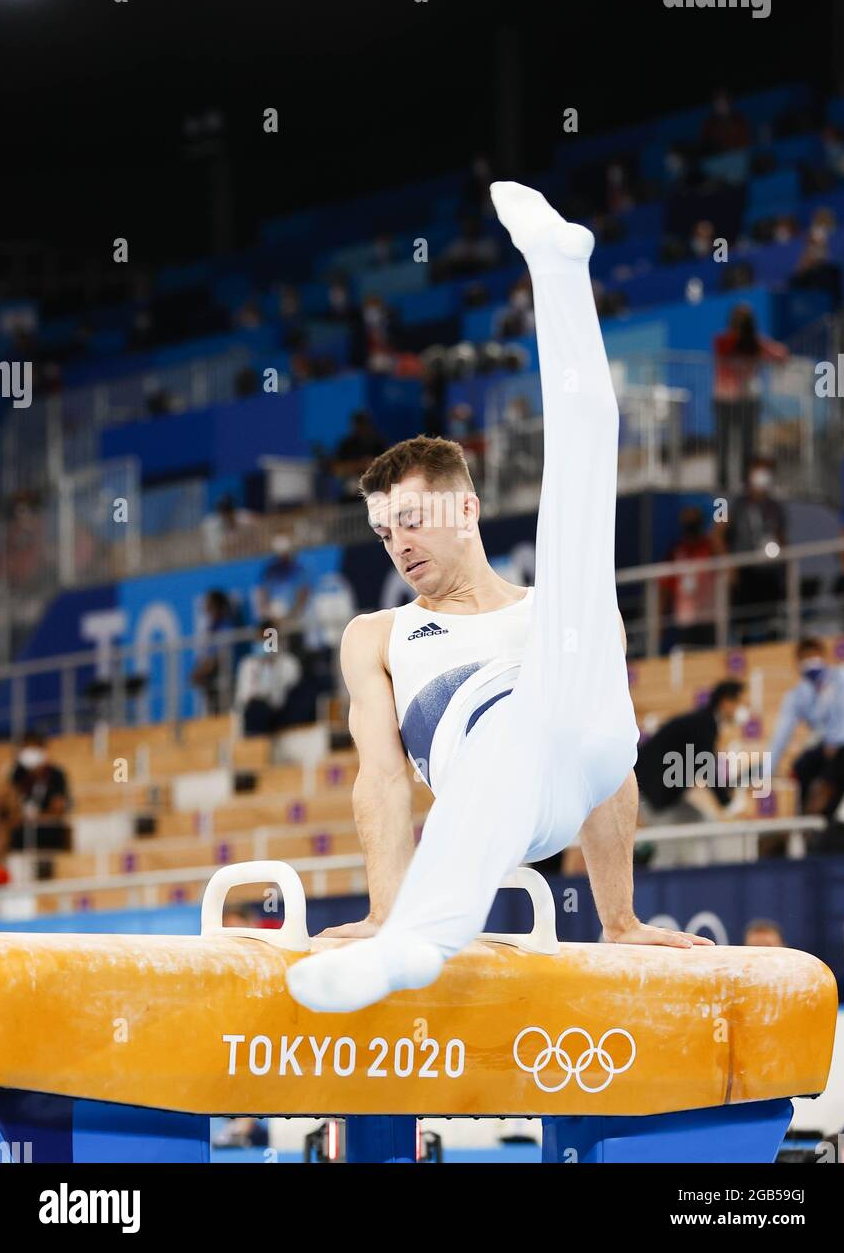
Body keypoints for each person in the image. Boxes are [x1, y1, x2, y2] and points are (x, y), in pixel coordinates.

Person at [287, 181, 714, 1015]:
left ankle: (558, 270)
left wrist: (619, 919)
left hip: (582, 745)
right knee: (509, 735)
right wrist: (379, 907)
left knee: (582, 493)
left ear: (467, 509)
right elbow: (381, 780)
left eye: (411, 520)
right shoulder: (376, 636)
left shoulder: (559, 611)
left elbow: (611, 764)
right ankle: (408, 935)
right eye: (383, 533)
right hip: (505, 786)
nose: (398, 543)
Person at [635, 681, 748, 826]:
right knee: (699, 827)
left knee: (701, 822)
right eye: (740, 703)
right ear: (726, 702)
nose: (742, 709)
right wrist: (728, 804)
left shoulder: (704, 721)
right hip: (652, 796)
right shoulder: (704, 724)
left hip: (659, 795)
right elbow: (707, 766)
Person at [768, 638, 844, 818]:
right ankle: (806, 819)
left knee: (835, 771)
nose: (810, 661)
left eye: (813, 656)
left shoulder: (842, 676)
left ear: (823, 656)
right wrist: (767, 771)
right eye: (804, 658)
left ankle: (827, 815)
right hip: (826, 747)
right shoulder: (797, 695)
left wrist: (834, 741)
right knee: (801, 766)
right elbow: (781, 734)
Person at [712, 304, 789, 490]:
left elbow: (781, 354)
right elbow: (725, 351)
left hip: (747, 400)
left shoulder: (755, 342)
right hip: (724, 399)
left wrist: (758, 343)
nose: (743, 322)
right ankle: (722, 484)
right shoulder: (723, 341)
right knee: (724, 443)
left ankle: (745, 483)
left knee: (748, 444)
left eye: (746, 319)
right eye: (740, 318)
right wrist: (749, 341)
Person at [722, 456, 787, 643]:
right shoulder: (730, 503)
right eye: (759, 471)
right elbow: (717, 534)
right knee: (743, 623)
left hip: (769, 571)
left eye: (766, 472)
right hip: (744, 572)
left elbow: (782, 538)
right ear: (749, 475)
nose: (762, 477)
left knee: (771, 621)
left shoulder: (775, 507)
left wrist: (784, 568)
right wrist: (729, 564)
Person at [660, 506, 719, 651]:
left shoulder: (709, 546)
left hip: (708, 617)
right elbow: (665, 588)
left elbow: (728, 573)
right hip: (685, 619)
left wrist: (718, 532)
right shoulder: (676, 550)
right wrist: (660, 622)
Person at [7, 732, 73, 852]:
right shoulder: (16, 774)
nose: (30, 754)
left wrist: (37, 817)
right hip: (20, 836)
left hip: (49, 835)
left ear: (42, 750)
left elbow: (59, 808)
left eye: (34, 749)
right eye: (26, 749)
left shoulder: (55, 774)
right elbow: (10, 806)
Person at [235, 627, 303, 737]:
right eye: (261, 641)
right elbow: (243, 697)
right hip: (256, 715)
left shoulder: (288, 663)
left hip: (281, 713)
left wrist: (273, 666)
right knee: (257, 710)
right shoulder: (248, 664)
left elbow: (290, 687)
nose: (264, 645)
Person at [190, 590, 239, 715]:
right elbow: (206, 653)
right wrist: (199, 669)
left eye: (209, 605)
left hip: (223, 674)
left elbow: (220, 655)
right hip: (211, 676)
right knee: (212, 710)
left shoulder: (226, 625)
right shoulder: (211, 627)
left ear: (216, 606)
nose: (206, 609)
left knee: (222, 710)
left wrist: (202, 670)